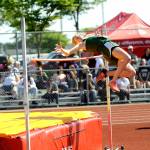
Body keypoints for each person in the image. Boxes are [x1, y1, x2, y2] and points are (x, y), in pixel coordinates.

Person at [55, 35, 136, 92]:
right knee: (127, 57)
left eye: (78, 35)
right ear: (76, 42)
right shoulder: (81, 44)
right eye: (76, 38)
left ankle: (106, 73)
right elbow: (68, 52)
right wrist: (62, 49)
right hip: (106, 46)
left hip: (108, 47)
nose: (78, 36)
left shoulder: (89, 37)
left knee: (132, 72)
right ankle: (113, 81)